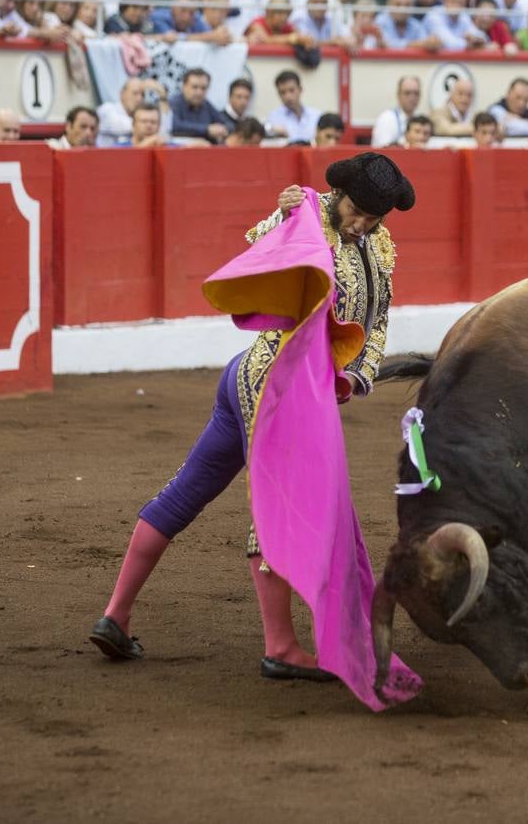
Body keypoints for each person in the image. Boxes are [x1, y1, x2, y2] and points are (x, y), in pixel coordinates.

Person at [90, 152, 416, 683]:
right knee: (278, 505)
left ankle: (115, 616)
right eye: (356, 212)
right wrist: (285, 215)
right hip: (275, 384)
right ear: (338, 195)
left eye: (372, 219)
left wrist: (360, 373)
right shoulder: (305, 212)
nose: (360, 225)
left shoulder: (379, 247)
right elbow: (258, 250)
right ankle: (281, 647)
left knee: (187, 492)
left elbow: (377, 321)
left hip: (269, 384)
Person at [168, 68, 230, 143]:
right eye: (195, 87)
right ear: (184, 86)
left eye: (203, 88)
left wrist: (222, 130)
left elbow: (226, 123)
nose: (199, 92)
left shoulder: (206, 104)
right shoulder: (174, 103)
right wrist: (206, 129)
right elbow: (174, 125)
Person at [264, 69, 321, 144]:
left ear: (300, 89)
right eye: (282, 92)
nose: (288, 96)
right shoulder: (273, 117)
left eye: (291, 90)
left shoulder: (316, 116)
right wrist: (271, 130)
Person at [370, 76, 422, 147]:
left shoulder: (420, 119)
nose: (412, 97)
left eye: (416, 93)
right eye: (407, 93)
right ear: (398, 95)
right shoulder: (386, 118)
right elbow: (384, 149)